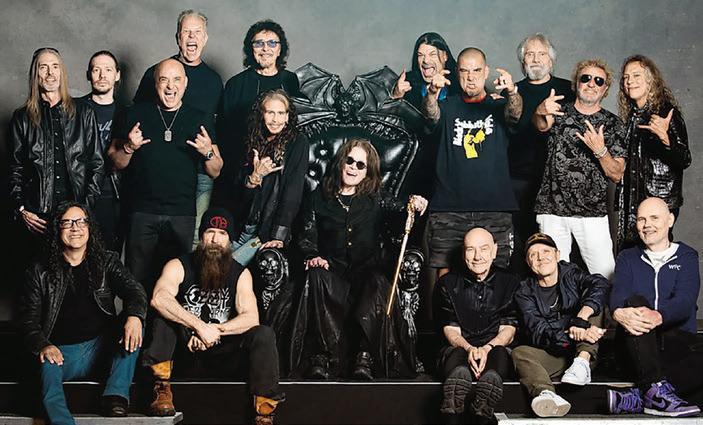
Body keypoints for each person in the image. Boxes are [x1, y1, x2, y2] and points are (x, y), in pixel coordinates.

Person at [269, 139, 428, 380]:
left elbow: (402, 213)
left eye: (360, 165)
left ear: (367, 171)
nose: (353, 167)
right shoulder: (318, 197)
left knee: (377, 281)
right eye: (350, 161)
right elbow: (306, 237)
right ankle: (321, 356)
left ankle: (364, 356)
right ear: (341, 162)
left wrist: (413, 203)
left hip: (366, 276)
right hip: (331, 274)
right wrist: (313, 256)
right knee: (315, 276)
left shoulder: (376, 198)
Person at [142, 207, 284, 425]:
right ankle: (161, 388)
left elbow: (251, 318)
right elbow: (159, 299)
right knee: (163, 318)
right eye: (210, 232)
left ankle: (264, 413)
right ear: (201, 237)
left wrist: (215, 330)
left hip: (223, 355)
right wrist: (198, 327)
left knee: (263, 334)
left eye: (222, 234)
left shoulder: (240, 273)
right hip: (184, 354)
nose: (215, 239)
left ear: (230, 241)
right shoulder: (178, 265)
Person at [18, 202, 147, 424]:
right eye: (67, 223)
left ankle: (115, 396)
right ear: (57, 229)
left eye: (81, 221)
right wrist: (44, 345)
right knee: (47, 364)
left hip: (101, 347)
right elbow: (27, 321)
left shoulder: (107, 261)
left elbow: (135, 291)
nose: (75, 228)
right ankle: (62, 422)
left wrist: (134, 316)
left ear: (89, 227)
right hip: (62, 353)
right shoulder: (39, 271)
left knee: (135, 324)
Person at [108, 58, 223, 295]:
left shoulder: (199, 118)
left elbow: (216, 170)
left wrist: (207, 152)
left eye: (176, 80)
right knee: (136, 282)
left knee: (177, 283)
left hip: (181, 214)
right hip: (142, 212)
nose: (170, 86)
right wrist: (129, 147)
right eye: (164, 80)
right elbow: (116, 162)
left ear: (185, 83)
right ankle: (136, 319)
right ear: (155, 83)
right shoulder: (135, 114)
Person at [422, 47, 522, 278]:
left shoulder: (499, 106)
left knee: (498, 275)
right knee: (446, 275)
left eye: (476, 70)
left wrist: (512, 91)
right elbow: (430, 115)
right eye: (464, 71)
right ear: (457, 73)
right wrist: (432, 92)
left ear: (486, 72)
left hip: (495, 207)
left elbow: (515, 114)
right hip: (449, 207)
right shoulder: (447, 107)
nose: (471, 77)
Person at [133, 9, 224, 248]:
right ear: (178, 37)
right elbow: (138, 118)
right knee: (150, 242)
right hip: (159, 174)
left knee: (192, 241)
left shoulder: (214, 81)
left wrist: (209, 154)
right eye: (186, 32)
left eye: (197, 32)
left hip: (200, 172)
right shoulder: (156, 74)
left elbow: (217, 129)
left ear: (205, 38)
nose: (192, 37)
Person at [532, 58, 627, 279]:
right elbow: (540, 125)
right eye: (586, 78)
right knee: (551, 276)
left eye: (599, 81)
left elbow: (617, 174)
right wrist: (539, 110)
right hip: (552, 209)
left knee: (606, 276)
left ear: (605, 89)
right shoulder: (558, 112)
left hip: (591, 212)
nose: (591, 83)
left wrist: (600, 150)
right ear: (577, 83)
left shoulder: (613, 124)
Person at [607, 197, 701, 417]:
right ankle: (655, 389)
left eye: (654, 218)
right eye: (641, 219)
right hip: (636, 345)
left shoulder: (686, 256)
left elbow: (685, 301)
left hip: (677, 343)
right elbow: (618, 295)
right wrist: (618, 312)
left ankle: (641, 397)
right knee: (635, 302)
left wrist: (659, 315)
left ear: (670, 220)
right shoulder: (628, 257)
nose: (647, 225)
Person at [9, 47, 103, 242]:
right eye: (43, 67)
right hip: (38, 218)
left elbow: (97, 164)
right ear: (36, 74)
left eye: (55, 66)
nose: (50, 73)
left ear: (62, 72)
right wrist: (21, 209)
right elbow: (15, 169)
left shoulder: (84, 112)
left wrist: (85, 209)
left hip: (76, 216)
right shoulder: (22, 118)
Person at [512, 232, 609, 418]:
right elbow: (538, 331)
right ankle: (547, 395)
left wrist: (581, 319)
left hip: (587, 351)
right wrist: (574, 333)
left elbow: (601, 284)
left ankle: (582, 362)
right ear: (528, 262)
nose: (541, 257)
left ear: (557, 255)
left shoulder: (571, 274)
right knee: (519, 352)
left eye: (546, 251)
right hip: (557, 354)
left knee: (593, 303)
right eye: (533, 254)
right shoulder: (524, 291)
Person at [433, 227, 520, 424]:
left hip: (495, 348)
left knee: (499, 355)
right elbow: (450, 329)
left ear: (495, 250)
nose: (477, 256)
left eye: (484, 249)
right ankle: (453, 404)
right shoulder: (447, 283)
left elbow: (508, 329)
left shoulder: (510, 282)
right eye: (471, 249)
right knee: (457, 362)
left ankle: (483, 405)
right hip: (459, 347)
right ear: (463, 253)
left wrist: (487, 348)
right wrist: (469, 349)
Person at [508, 34, 575, 273]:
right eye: (530, 54)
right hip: (519, 181)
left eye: (542, 54)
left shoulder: (569, 90)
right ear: (522, 61)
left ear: (551, 60)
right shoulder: (511, 93)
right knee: (522, 244)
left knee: (559, 247)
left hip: (559, 182)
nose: (536, 59)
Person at [218, 20, 303, 193]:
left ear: (280, 49)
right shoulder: (235, 84)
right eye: (259, 43)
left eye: (272, 43)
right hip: (242, 169)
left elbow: (295, 122)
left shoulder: (290, 81)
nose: (265, 48)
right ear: (251, 49)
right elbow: (225, 132)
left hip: (281, 168)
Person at [616, 55, 691, 250]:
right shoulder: (633, 116)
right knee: (632, 255)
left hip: (659, 199)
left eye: (636, 75)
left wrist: (665, 139)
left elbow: (684, 159)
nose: (630, 81)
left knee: (655, 253)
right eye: (626, 77)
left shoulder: (666, 112)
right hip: (633, 199)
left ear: (651, 80)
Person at [229, 89, 308, 265]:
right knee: (210, 267)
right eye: (270, 112)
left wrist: (278, 235)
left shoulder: (297, 142)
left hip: (266, 229)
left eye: (280, 113)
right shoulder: (251, 141)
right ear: (261, 115)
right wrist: (255, 176)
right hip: (242, 224)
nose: (275, 119)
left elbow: (293, 192)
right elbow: (236, 192)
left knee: (230, 268)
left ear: (287, 116)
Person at [81, 50, 124, 252]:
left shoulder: (128, 112)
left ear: (117, 75)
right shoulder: (75, 108)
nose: (102, 75)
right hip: (81, 190)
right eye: (96, 70)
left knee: (109, 252)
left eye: (108, 69)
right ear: (88, 75)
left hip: (114, 192)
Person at [390, 32, 458, 109]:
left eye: (432, 54)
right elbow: (388, 114)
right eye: (420, 55)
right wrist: (396, 97)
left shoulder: (459, 83)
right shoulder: (407, 83)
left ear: (445, 56)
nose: (426, 60)